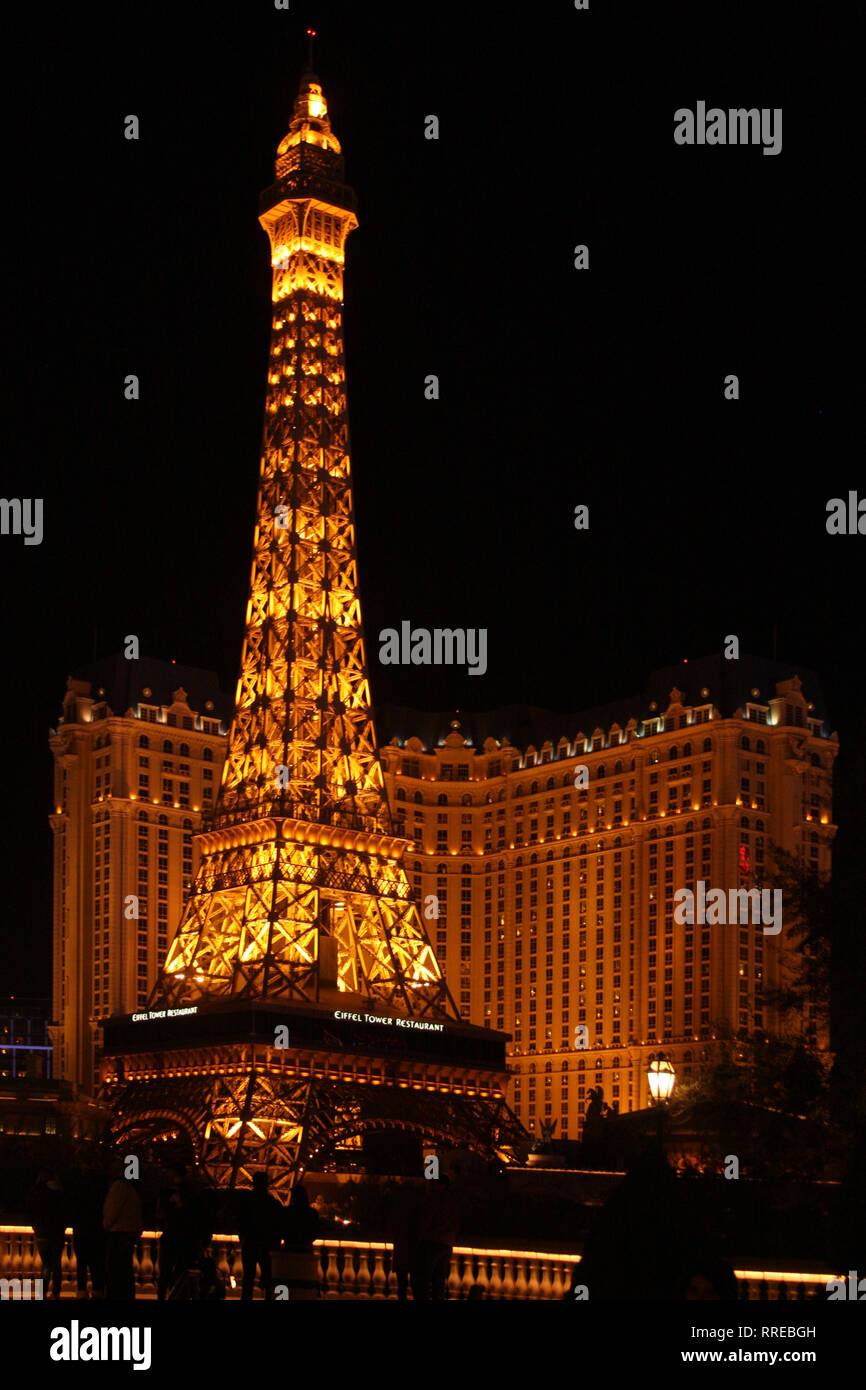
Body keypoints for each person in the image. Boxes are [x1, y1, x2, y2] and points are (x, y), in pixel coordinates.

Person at [156, 1164, 204, 1301]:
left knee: (165, 1273)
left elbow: (159, 1214)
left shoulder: (168, 1192)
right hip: (185, 1238)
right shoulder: (193, 1194)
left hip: (172, 1236)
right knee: (181, 1273)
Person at [236, 1172, 284, 1301]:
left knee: (248, 1277)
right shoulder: (273, 1203)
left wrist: (243, 1236)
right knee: (268, 1276)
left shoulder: (246, 1201)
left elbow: (240, 1221)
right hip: (267, 1244)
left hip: (250, 1242)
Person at [412, 1175, 461, 1300]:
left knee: (422, 1281)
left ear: (442, 1186)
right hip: (446, 1244)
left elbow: (425, 1221)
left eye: (434, 1184)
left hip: (431, 1242)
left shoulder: (433, 1200)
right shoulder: (452, 1202)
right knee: (439, 1282)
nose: (431, 1186)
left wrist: (418, 1239)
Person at [102, 1160, 143, 1300]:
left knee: (116, 1270)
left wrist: (106, 1225)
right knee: (124, 1270)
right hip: (128, 1233)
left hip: (119, 1233)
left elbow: (112, 1211)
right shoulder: (130, 1188)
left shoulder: (118, 1187)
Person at [69, 1160, 107, 1298]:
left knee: (81, 1263)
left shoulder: (77, 1190)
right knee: (96, 1263)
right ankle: (97, 1288)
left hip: (81, 1230)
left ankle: (81, 1290)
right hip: (96, 1230)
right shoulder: (100, 1189)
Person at [29, 1171, 67, 1299]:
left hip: (42, 1233)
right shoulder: (60, 1194)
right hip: (57, 1233)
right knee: (56, 1264)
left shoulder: (38, 1193)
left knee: (46, 1264)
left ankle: (42, 1292)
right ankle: (56, 1292)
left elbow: (32, 1212)